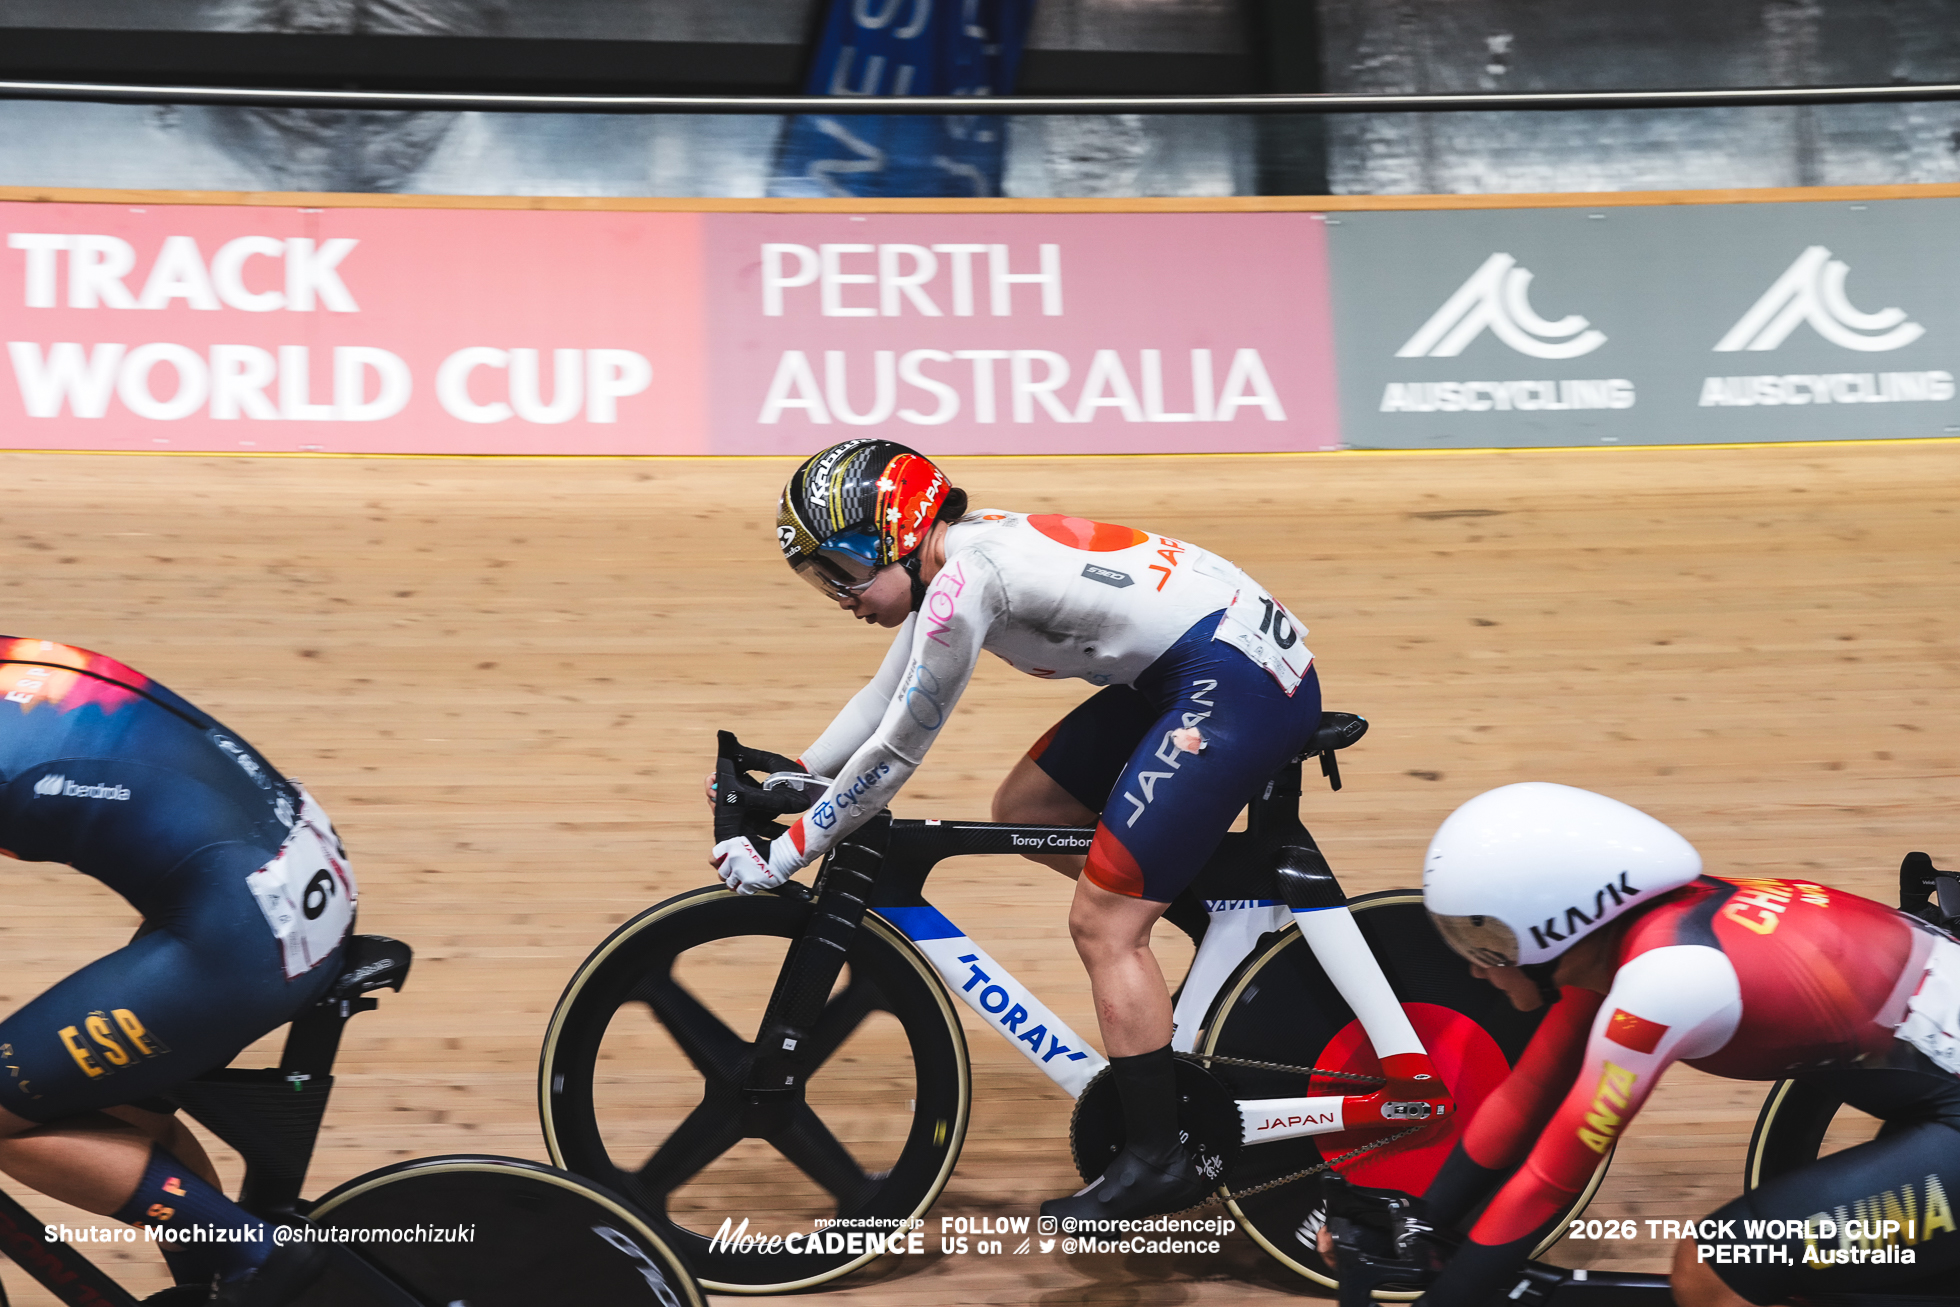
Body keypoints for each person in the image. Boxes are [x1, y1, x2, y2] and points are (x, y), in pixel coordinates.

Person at [708, 438, 1323, 1220]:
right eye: (819, 577)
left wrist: (790, 851)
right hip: (1207, 660)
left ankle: (1160, 1157)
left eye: (840, 568)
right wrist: (792, 777)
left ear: (894, 532)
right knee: (1031, 808)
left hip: (1232, 680)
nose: (837, 593)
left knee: (1103, 924)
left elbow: (894, 754)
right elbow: (881, 698)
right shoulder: (957, 561)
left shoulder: (969, 581)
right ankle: (1208, 917)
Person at [1377, 780, 1960, 1305]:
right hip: (1935, 1095)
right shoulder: (1629, 935)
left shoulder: (1667, 984)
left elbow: (1550, 1181)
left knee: (1715, 1271)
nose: (1476, 967)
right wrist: (1421, 1225)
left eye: (1483, 939)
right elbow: (1528, 1096)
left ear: (1554, 925)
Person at [0, 638, 354, 1305]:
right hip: (288, 875)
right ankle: (210, 1285)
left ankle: (257, 1259)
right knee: (112, 1106)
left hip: (243, 931)